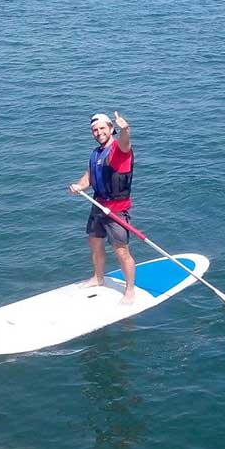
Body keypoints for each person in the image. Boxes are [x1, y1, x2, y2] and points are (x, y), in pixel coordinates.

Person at [68, 111, 136, 304]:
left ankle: (130, 290)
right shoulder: (96, 153)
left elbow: (125, 142)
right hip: (98, 206)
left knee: (121, 251)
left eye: (102, 128)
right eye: (95, 130)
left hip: (116, 210)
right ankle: (98, 277)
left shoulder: (119, 149)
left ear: (111, 129)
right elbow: (90, 174)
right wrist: (80, 185)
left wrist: (125, 129)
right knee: (94, 244)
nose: (98, 132)